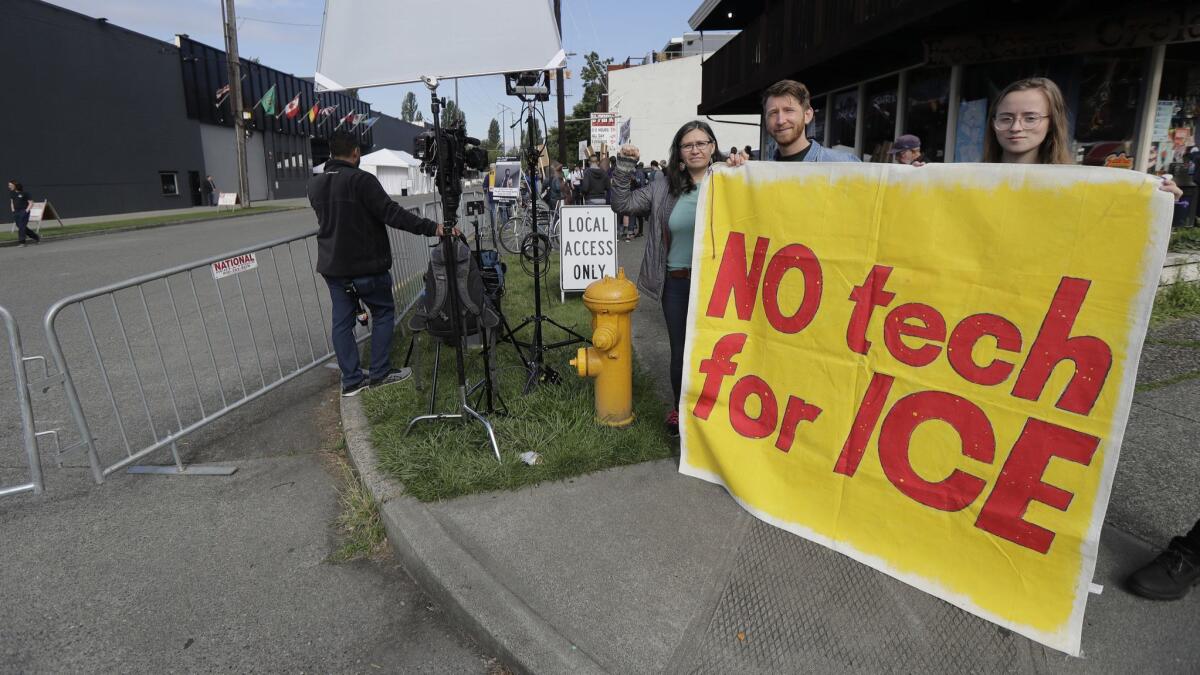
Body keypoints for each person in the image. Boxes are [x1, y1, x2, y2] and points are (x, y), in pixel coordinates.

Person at [308, 130, 457, 397]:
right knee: (384, 312)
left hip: (333, 267)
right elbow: (392, 214)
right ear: (356, 153)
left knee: (342, 323)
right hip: (367, 265)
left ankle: (351, 381)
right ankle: (380, 372)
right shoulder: (362, 180)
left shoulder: (315, 185)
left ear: (331, 153)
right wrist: (433, 228)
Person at [612, 121, 725, 438]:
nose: (695, 149)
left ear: (713, 146)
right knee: (682, 351)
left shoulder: (731, 180)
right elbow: (623, 204)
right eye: (688, 145)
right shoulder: (663, 185)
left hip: (719, 283)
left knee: (719, 351)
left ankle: (718, 415)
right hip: (676, 283)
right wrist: (624, 166)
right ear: (679, 151)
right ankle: (682, 411)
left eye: (701, 143)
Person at [982, 77, 1182, 198]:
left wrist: (1158, 202)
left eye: (1030, 118)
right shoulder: (966, 183)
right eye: (1006, 118)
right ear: (993, 123)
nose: (1016, 127)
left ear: (1051, 123)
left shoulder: (1075, 187)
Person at [732, 79, 859, 164]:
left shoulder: (843, 164)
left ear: (808, 115)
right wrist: (733, 171)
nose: (780, 120)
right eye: (773, 113)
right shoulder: (761, 173)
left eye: (789, 110)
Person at [8, 180, 39, 247]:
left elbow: (31, 203)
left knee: (22, 226)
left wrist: (26, 211)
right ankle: (36, 237)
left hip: (23, 211)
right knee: (21, 226)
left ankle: (22, 242)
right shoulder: (12, 193)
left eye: (10, 185)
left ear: (15, 185)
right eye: (9, 185)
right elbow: (12, 202)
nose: (9, 187)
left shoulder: (25, 193)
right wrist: (13, 211)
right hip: (16, 212)